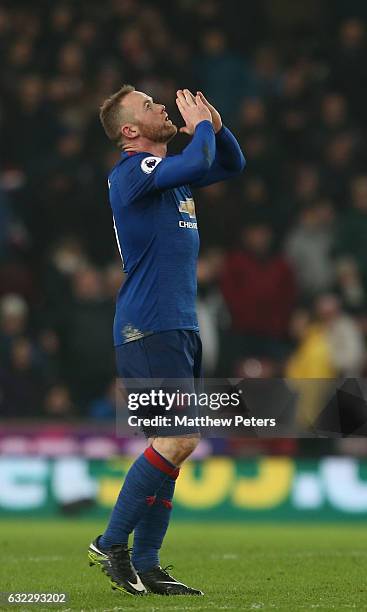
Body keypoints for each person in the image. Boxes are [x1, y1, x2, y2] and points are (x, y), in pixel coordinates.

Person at [87, 84, 245, 596]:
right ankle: (111, 543)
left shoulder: (169, 181)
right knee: (179, 440)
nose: (162, 107)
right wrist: (201, 129)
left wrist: (216, 126)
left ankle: (149, 564)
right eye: (150, 106)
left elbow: (230, 164)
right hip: (150, 324)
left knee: (170, 447)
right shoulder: (133, 174)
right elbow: (200, 156)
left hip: (176, 323)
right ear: (130, 131)